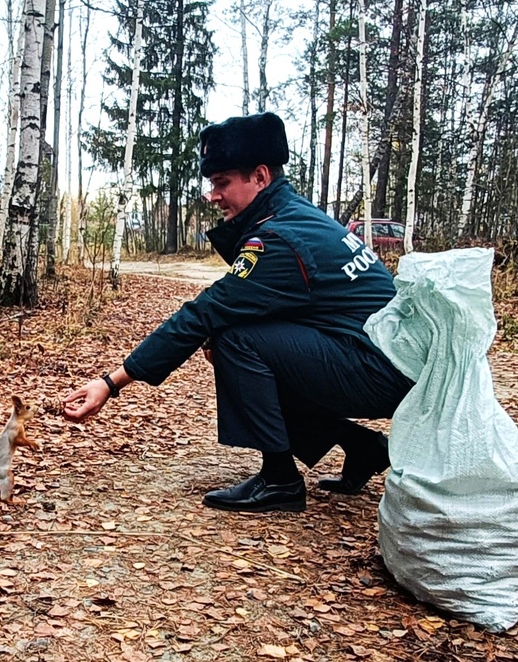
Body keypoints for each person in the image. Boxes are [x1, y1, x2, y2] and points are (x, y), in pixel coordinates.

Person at [62, 112, 413, 513]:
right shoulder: (292, 214)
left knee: (235, 338)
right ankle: (362, 448)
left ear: (260, 177)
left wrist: (112, 382)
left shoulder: (279, 238)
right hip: (380, 359)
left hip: (378, 370)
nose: (213, 195)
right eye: (213, 183)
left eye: (222, 182)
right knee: (238, 335)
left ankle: (279, 480)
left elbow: (203, 313)